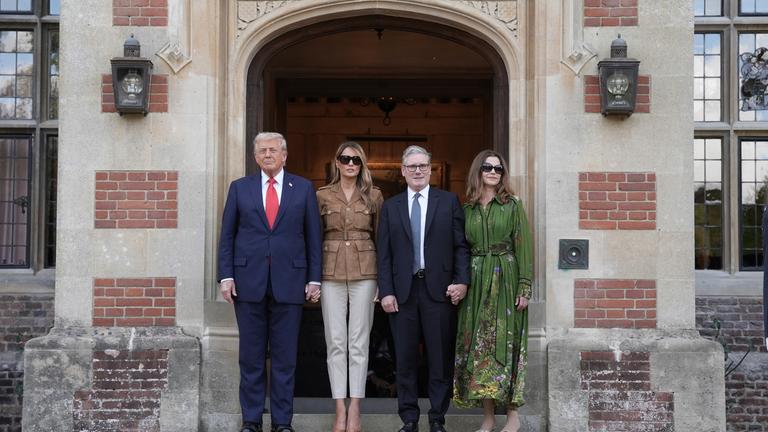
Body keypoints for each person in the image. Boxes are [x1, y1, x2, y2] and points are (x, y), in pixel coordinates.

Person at [218, 132, 322, 432]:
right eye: (262, 151)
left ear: (284, 155)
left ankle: (281, 422)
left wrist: (314, 278)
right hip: (247, 283)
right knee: (250, 359)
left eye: (273, 150)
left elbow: (313, 237)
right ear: (255, 156)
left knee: (284, 360)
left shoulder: (302, 188)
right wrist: (226, 276)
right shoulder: (240, 188)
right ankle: (251, 421)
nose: (267, 155)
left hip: (290, 283)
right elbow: (227, 236)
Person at [377, 145, 470, 432]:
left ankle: (437, 418)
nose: (417, 171)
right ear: (403, 171)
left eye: (423, 166)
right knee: (404, 359)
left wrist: (462, 281)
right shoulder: (391, 207)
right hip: (402, 294)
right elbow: (384, 254)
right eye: (412, 166)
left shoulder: (449, 202)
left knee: (439, 358)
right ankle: (409, 418)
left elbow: (461, 247)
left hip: (439, 292)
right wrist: (387, 290)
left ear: (430, 169)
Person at [452, 150, 533, 432]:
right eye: (487, 167)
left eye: (498, 169)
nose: (493, 172)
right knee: (480, 348)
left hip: (506, 279)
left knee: (506, 344)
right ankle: (488, 419)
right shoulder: (467, 208)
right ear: (478, 171)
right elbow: (460, 248)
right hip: (476, 281)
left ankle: (512, 416)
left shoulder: (512, 205)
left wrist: (525, 285)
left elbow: (523, 246)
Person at [316, 142, 384, 432]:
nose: (350, 164)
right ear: (337, 162)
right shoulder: (321, 195)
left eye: (356, 159)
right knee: (335, 342)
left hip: (365, 272)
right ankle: (339, 408)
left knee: (359, 343)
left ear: (362, 164)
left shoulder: (375, 196)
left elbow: (383, 240)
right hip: (330, 272)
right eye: (345, 158)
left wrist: (384, 281)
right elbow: (313, 237)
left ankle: (356, 406)